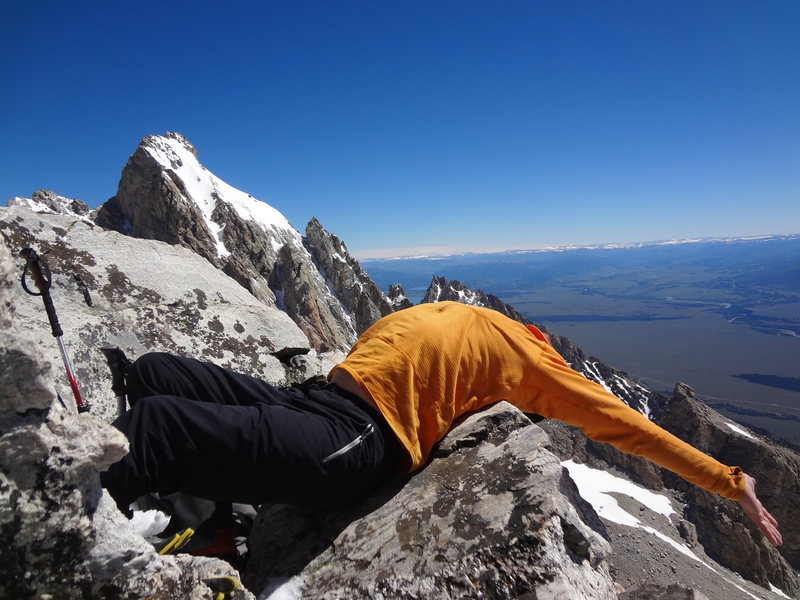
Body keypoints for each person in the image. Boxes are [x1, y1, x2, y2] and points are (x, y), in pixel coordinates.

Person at [101, 301, 782, 549]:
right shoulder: (474, 319)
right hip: (315, 401)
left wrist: (728, 479)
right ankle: (208, 523)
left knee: (160, 425)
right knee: (159, 370)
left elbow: (622, 424)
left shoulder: (529, 362)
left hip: (363, 439)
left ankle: (66, 526)